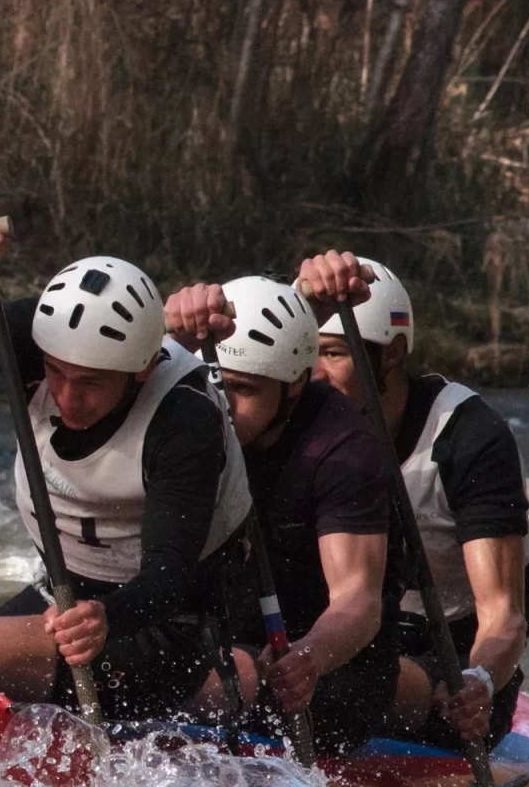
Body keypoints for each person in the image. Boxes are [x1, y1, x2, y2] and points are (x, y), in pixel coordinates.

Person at [0, 204, 250, 716]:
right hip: (67, 596)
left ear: (139, 370)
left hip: (158, 627)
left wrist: (104, 618)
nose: (68, 397)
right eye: (57, 374)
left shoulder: (185, 418)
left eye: (91, 383)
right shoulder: (47, 340)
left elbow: (170, 573)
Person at [298, 251, 529, 748]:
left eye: (336, 354)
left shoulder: (469, 436)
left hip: (450, 653)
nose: (315, 374)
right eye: (309, 353)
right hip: (342, 636)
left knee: (347, 681)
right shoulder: (300, 423)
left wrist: (480, 681)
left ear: (393, 352)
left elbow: (503, 613)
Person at [163, 275, 404, 754]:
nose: (225, 408)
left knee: (197, 673)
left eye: (244, 390)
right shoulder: (190, 415)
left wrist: (310, 657)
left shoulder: (342, 448)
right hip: (219, 643)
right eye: (217, 387)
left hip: (325, 672)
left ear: (294, 384)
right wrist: (170, 333)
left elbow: (358, 601)